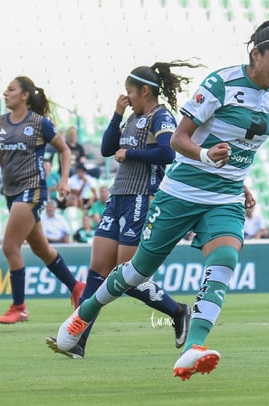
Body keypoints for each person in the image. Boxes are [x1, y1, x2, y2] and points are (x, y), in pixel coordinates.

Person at [53, 20, 269, 378]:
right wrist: (206, 156)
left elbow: (243, 147)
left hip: (224, 196)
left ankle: (195, 346)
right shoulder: (220, 84)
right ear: (255, 54)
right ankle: (84, 313)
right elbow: (179, 140)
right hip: (180, 193)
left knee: (226, 257)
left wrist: (239, 181)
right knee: (138, 272)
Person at [46, 60, 203, 359]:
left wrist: (130, 152)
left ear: (144, 90)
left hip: (142, 197)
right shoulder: (132, 117)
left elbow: (168, 153)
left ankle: (178, 311)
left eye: (129, 91)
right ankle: (78, 341)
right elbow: (107, 148)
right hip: (117, 196)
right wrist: (117, 114)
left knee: (126, 276)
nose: (126, 96)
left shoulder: (160, 117)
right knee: (98, 273)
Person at [0, 75, 85, 324]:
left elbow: (65, 149)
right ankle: (77, 287)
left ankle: (19, 307)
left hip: (32, 191)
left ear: (24, 95)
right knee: (41, 249)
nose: (5, 93)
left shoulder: (39, 123)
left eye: (10, 90)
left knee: (9, 247)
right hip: (11, 193)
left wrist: (64, 180)